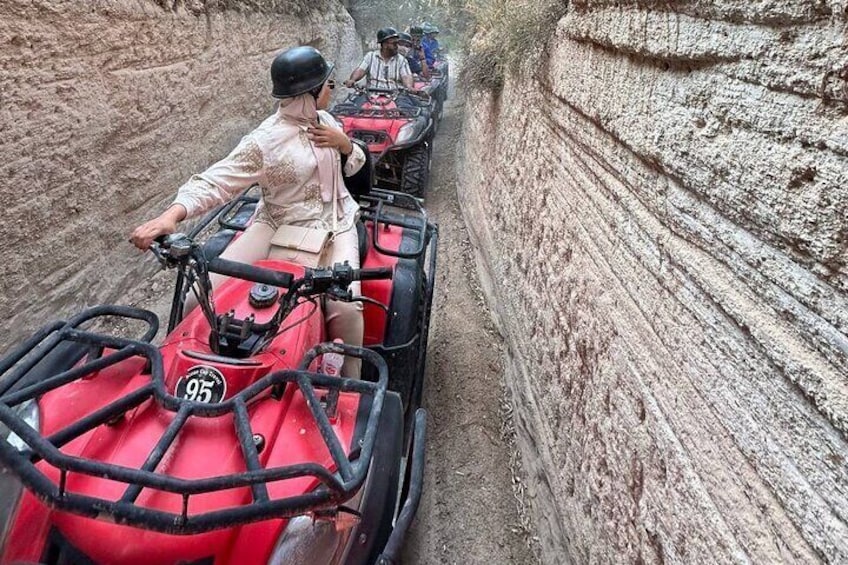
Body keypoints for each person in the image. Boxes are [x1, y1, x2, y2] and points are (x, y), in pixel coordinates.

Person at [130, 46, 367, 377]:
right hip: (276, 222)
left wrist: (344, 144)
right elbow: (217, 180)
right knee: (199, 299)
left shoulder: (327, 121)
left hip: (335, 222)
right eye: (328, 84)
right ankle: (179, 371)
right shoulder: (265, 140)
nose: (333, 88)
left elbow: (356, 164)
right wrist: (172, 215)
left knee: (347, 308)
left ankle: (349, 385)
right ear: (308, 92)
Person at [343, 27, 416, 92]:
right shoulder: (370, 56)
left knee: (406, 107)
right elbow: (360, 70)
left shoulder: (401, 60)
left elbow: (406, 76)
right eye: (394, 43)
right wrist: (352, 80)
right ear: (384, 45)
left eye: (397, 43)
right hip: (370, 95)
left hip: (395, 96)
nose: (397, 46)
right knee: (351, 106)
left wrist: (409, 86)